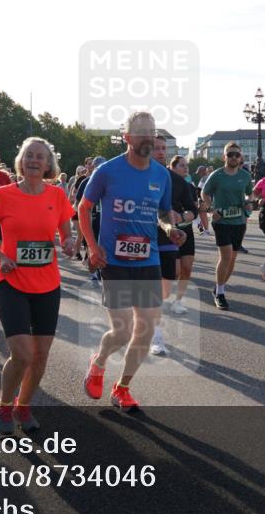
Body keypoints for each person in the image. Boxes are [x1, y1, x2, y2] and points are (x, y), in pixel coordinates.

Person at [79, 111, 185, 412]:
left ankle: (122, 388)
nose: (147, 137)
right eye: (141, 132)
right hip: (114, 259)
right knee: (123, 331)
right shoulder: (108, 171)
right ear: (126, 137)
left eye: (151, 132)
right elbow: (83, 208)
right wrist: (93, 246)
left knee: (147, 329)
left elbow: (163, 213)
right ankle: (98, 362)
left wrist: (170, 229)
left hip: (147, 258)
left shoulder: (161, 174)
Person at [0, 137, 77, 433]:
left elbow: (66, 229)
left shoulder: (57, 195)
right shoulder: (2, 195)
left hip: (48, 284)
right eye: (29, 156)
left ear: (48, 164)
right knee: (22, 354)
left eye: (40, 157)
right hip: (13, 282)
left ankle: (24, 406)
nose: (34, 160)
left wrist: (70, 241)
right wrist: (1, 257)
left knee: (40, 354)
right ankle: (5, 407)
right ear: (21, 161)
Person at [148, 140, 195, 355]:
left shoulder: (176, 180)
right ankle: (156, 334)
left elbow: (192, 209)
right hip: (142, 237)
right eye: (155, 148)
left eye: (163, 149)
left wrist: (184, 215)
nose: (160, 152)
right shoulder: (135, 175)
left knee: (166, 286)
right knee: (153, 289)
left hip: (168, 236)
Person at [202, 142, 253, 310]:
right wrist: (211, 209)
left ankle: (219, 286)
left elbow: (249, 194)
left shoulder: (245, 176)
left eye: (236, 155)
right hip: (221, 220)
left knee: (232, 258)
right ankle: (221, 293)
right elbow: (204, 192)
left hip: (239, 221)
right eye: (230, 154)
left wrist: (249, 204)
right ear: (224, 157)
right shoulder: (217, 175)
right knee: (226, 256)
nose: (233, 157)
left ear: (240, 158)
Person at [169, 155, 199, 317]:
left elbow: (193, 210)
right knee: (175, 270)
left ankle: (178, 301)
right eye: (181, 165)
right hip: (171, 232)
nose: (185, 168)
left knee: (187, 268)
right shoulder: (166, 185)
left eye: (186, 165)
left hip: (187, 231)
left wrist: (186, 215)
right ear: (172, 168)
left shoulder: (190, 187)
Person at [74, 155, 107, 284]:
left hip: (106, 219)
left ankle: (102, 271)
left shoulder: (110, 181)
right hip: (92, 218)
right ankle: (93, 273)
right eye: (97, 166)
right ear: (92, 167)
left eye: (102, 166)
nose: (99, 169)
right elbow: (77, 202)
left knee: (104, 246)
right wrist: (82, 216)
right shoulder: (86, 181)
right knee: (91, 245)